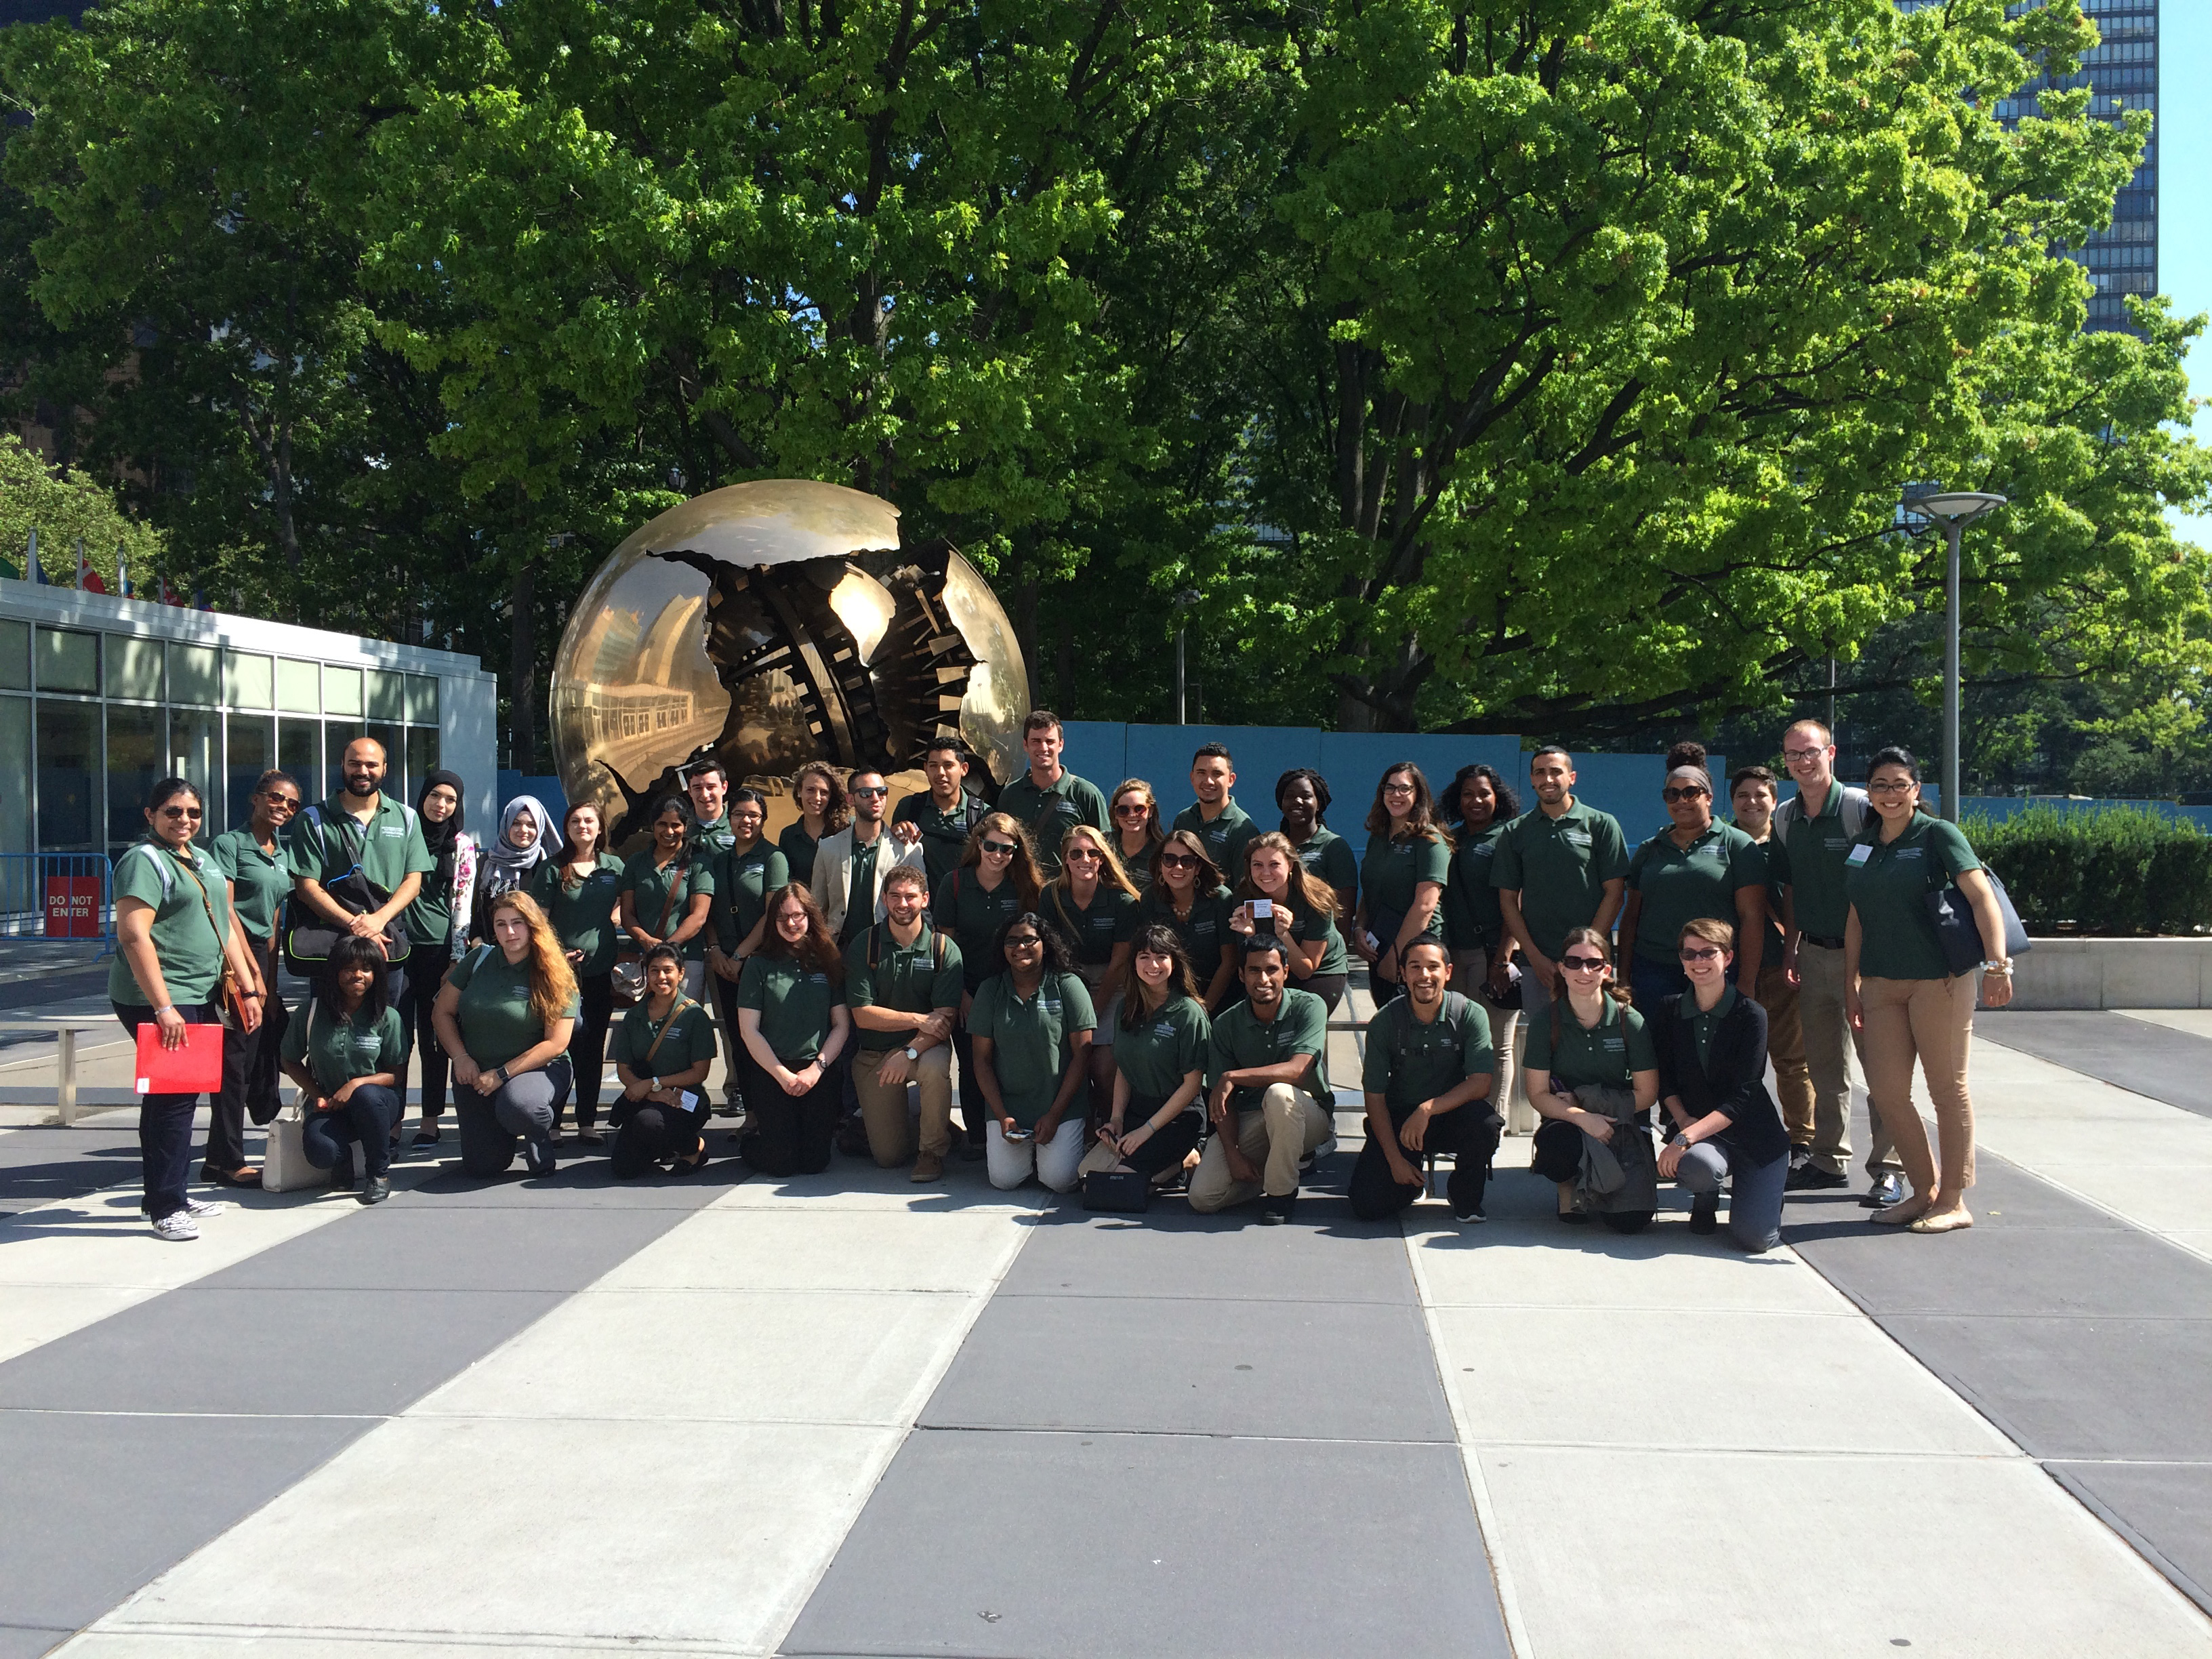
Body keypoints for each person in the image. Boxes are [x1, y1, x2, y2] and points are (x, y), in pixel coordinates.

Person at [1845, 745, 2014, 1233]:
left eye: (1900, 785)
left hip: (1939, 981)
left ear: (1917, 791)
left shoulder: (1939, 834)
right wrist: (1850, 985)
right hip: (1880, 985)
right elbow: (1855, 919)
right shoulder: (1865, 844)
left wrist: (1998, 965)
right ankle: (1924, 1191)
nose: (1890, 794)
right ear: (1870, 794)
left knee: (1947, 1089)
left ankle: (1954, 1201)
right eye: (1881, 786)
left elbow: (1982, 897)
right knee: (1887, 1091)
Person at [110, 777, 266, 1240]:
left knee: (175, 1097)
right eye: (173, 812)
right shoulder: (144, 861)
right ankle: (166, 1206)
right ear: (151, 815)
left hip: (199, 993)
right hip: (160, 996)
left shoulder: (200, 859)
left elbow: (226, 922)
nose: (184, 820)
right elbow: (134, 935)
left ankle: (168, 1192)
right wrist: (162, 1007)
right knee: (173, 1099)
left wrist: (250, 985)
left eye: (193, 813)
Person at [1776, 718, 1898, 1203]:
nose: (1802, 762)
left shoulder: (1860, 810)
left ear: (1831, 753)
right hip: (1814, 953)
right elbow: (1789, 888)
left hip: (1866, 959)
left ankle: (1891, 1167)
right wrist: (1791, 946)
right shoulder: (1786, 817)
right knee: (1826, 1067)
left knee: (1881, 1067)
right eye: (1792, 755)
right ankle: (1828, 1160)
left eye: (1810, 752)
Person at [1652, 918, 1790, 1252]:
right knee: (1700, 1168)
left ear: (1727, 958)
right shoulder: (1668, 1010)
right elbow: (1665, 1079)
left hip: (1756, 1139)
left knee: (1755, 1239)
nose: (1698, 962)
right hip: (1705, 1138)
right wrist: (1683, 1124)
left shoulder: (1751, 1014)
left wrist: (1685, 1137)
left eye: (1708, 953)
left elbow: (1743, 1095)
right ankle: (1706, 1196)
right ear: (1681, 960)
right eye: (1690, 954)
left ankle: (1759, 1195)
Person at [1348, 938, 1498, 1223]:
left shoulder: (1470, 1014)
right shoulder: (1385, 1022)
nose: (1425, 976)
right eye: (1415, 967)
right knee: (1367, 1206)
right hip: (1402, 1122)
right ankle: (1410, 1183)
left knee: (1486, 1124)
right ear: (1403, 974)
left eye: (1433, 967)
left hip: (1451, 1114)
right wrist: (1394, 1161)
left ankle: (1464, 1196)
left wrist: (1428, 1108)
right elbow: (1375, 1097)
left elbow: (1481, 1083)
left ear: (1448, 972)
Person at [433, 891, 579, 1179]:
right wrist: (460, 1057)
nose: (510, 931)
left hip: (536, 1070)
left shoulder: (554, 971)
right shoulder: (478, 959)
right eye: (501, 924)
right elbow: (442, 1012)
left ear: (533, 925)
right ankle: (501, 1129)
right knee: (483, 1166)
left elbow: (557, 1042)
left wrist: (501, 1075)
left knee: (520, 1106)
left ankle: (537, 1134)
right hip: (475, 1073)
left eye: (518, 922)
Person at [1523, 926, 1660, 1232]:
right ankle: (1569, 1186)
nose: (1583, 971)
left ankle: (1606, 1186)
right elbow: (1537, 1094)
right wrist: (1583, 1118)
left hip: (1622, 1124)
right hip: (1571, 1124)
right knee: (1555, 1144)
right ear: (1561, 968)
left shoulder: (1629, 1021)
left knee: (1631, 1223)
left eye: (1593, 963)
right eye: (1573, 962)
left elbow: (1648, 1094)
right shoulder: (1546, 1021)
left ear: (1607, 970)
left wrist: (1588, 1104)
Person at [1187, 937, 1332, 1223]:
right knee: (1203, 1198)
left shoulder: (1310, 1006)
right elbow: (1221, 1100)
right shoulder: (1226, 1024)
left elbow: (1297, 1070)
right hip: (1253, 1118)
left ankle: (1281, 1194)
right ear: (1241, 975)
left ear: (1286, 973)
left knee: (1279, 1094)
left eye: (1272, 970)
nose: (1263, 979)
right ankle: (1273, 1171)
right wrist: (1232, 1153)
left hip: (1307, 1116)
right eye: (1254, 971)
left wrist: (1233, 1076)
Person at [285, 735, 433, 1013]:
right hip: (335, 945)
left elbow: (414, 881)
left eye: (371, 764)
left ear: (385, 769)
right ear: (342, 765)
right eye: (354, 763)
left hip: (387, 941)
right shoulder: (314, 819)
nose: (363, 771)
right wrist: (356, 924)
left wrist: (378, 920)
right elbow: (306, 886)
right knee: (330, 1035)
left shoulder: (406, 817)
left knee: (387, 1033)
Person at [1492, 746, 1629, 1036]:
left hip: (1591, 964)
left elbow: (1615, 894)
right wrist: (1534, 956)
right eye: (1540, 772)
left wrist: (1585, 956)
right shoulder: (1516, 831)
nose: (1548, 779)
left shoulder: (1602, 825)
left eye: (1556, 771)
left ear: (1572, 777)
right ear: (1531, 779)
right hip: (1537, 965)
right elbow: (1507, 901)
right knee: (1544, 1045)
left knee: (1593, 1041)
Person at [935, 813, 1045, 1157]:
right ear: (978, 844)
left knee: (1011, 1060)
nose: (998, 855)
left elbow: (1032, 943)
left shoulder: (1025, 887)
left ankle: (1016, 1127)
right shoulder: (953, 883)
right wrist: (963, 996)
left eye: (1007, 849)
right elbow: (944, 947)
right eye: (991, 846)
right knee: (971, 1063)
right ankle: (979, 1140)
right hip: (966, 987)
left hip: (1011, 988)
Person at [1728, 766, 1818, 1187]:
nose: (1751, 802)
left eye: (1760, 795)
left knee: (1791, 1061)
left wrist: (1791, 954)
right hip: (1727, 974)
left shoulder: (1788, 843)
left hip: (1780, 969)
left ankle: (1801, 1139)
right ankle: (1731, 1134)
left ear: (1774, 799)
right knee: (1732, 1064)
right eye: (1742, 795)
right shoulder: (1721, 843)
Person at [209, 768, 300, 1181]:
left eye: (292, 803)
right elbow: (225, 911)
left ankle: (218, 1155)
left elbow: (277, 913)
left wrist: (271, 979)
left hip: (263, 958)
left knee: (253, 1060)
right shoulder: (231, 845)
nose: (284, 807)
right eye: (277, 798)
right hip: (233, 959)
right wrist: (251, 977)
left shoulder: (282, 853)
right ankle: (227, 1159)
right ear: (257, 798)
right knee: (234, 1062)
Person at [846, 862, 964, 1179]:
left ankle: (932, 1152)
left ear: (925, 900)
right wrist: (918, 1019)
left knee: (936, 1067)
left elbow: (944, 1021)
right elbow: (862, 1015)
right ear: (884, 900)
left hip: (922, 1050)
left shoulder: (942, 949)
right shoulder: (865, 945)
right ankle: (933, 1121)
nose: (902, 904)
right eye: (895, 896)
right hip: (874, 1056)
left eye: (911, 896)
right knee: (889, 1156)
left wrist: (909, 1051)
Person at [1617, 763, 1765, 1008]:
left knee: (1713, 1045)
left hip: (1715, 970)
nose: (1681, 800)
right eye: (1672, 794)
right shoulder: (1649, 848)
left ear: (1709, 798)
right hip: (1654, 971)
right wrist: (1623, 977)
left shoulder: (1737, 845)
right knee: (1657, 1045)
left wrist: (1747, 983)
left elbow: (1752, 917)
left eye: (1691, 792)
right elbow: (1631, 917)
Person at [1074, 924, 1210, 1189]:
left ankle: (1186, 1158)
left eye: (1161, 956)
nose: (1153, 965)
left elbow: (1192, 1085)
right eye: (1144, 957)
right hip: (1138, 1111)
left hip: (1177, 1119)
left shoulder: (1189, 1013)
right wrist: (1116, 1119)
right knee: (1086, 1176)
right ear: (1134, 961)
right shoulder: (1126, 1006)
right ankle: (1164, 1168)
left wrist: (1147, 1131)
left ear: (1175, 962)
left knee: (1118, 1186)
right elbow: (1126, 1067)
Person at [968, 913, 1096, 1192]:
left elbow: (1083, 1055)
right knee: (1004, 1180)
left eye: (1029, 940)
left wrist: (1054, 1115)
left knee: (1059, 1181)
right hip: (1010, 1109)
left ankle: (1065, 1146)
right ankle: (1035, 1156)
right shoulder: (991, 990)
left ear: (1045, 945)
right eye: (1011, 941)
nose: (1020, 947)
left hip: (1060, 1105)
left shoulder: (1068, 985)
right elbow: (981, 1060)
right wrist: (1002, 1116)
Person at [280, 934, 406, 1204]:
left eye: (366, 969)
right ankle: (342, 1159)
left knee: (366, 1097)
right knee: (320, 1151)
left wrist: (356, 1085)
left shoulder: (388, 1017)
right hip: (330, 1105)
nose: (357, 975)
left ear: (376, 975)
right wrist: (316, 1095)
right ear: (335, 972)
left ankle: (378, 1175)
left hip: (379, 1104)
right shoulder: (311, 1012)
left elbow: (396, 1074)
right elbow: (289, 1059)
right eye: (348, 969)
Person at [737, 882, 851, 1176]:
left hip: (817, 1071)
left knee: (816, 1163)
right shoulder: (758, 964)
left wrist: (817, 1069)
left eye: (798, 915)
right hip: (773, 1072)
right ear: (772, 922)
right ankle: (751, 1143)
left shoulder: (828, 960)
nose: (791, 923)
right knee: (782, 1166)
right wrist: (783, 1076)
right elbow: (750, 1031)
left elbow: (840, 1025)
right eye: (782, 917)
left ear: (811, 917)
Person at [529, 802, 624, 1144]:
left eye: (589, 821)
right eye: (575, 821)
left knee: (593, 1045)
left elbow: (624, 904)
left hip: (599, 972)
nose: (582, 826)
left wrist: (612, 919)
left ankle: (587, 1121)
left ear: (600, 828)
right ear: (566, 827)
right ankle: (551, 1122)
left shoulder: (614, 867)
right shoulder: (553, 869)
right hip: (559, 974)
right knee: (558, 1046)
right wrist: (557, 955)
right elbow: (537, 921)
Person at [1441, 762, 1522, 1128]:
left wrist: (1503, 959)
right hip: (1450, 955)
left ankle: (1493, 1124)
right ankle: (1461, 1122)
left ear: (1498, 797)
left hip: (1492, 955)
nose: (1476, 800)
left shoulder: (1509, 837)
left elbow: (1517, 901)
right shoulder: (1449, 839)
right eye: (1468, 794)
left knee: (1494, 1046)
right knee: (1457, 1044)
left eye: (1484, 793)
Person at [1042, 822, 1141, 1120]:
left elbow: (1120, 962)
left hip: (1113, 986)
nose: (1085, 860)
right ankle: (1078, 1122)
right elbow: (1049, 954)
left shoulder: (1122, 901)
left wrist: (1092, 1012)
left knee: (1103, 1064)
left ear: (1102, 858)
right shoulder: (1052, 897)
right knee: (1068, 1060)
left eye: (1092, 853)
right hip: (1068, 983)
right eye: (1076, 853)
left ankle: (1112, 1122)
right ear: (1065, 859)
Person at [401, 770, 476, 1147]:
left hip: (439, 951)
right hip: (397, 947)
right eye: (435, 796)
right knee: (397, 1038)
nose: (441, 805)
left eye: (449, 799)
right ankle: (392, 1118)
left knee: (434, 1038)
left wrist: (456, 959)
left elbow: (463, 904)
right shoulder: (404, 834)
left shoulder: (463, 846)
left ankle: (429, 1120)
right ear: (422, 796)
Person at [703, 785, 788, 1117]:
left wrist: (740, 956)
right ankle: (752, 1115)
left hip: (760, 962)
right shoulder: (718, 860)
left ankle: (773, 1113)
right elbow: (707, 910)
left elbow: (773, 913)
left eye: (753, 815)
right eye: (739, 814)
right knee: (738, 1041)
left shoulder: (773, 857)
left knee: (765, 1038)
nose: (746, 821)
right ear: (729, 817)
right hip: (723, 964)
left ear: (764, 819)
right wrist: (716, 951)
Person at [609, 944, 717, 1178]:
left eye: (668, 970)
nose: (661, 977)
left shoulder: (694, 1016)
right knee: (624, 1169)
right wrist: (652, 1093)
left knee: (648, 1122)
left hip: (686, 1098)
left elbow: (700, 1073)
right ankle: (663, 1147)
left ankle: (693, 1148)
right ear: (646, 974)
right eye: (654, 970)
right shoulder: (634, 1016)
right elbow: (623, 1069)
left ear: (681, 973)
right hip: (647, 1098)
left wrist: (653, 1083)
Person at [1353, 762, 1451, 1004]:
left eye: (1405, 789)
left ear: (1418, 795)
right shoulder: (1377, 838)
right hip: (1381, 945)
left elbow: (1426, 905)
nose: (1396, 795)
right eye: (1390, 788)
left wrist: (1398, 954)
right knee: (1388, 1023)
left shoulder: (1429, 840)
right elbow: (1370, 890)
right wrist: (1359, 931)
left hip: (1417, 950)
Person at [1229, 830, 1349, 1013]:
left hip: (1320, 970)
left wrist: (1283, 935)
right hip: (1270, 967)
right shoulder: (1244, 896)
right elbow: (1249, 966)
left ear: (1290, 865)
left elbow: (1305, 970)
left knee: (1301, 1014)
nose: (1265, 872)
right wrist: (1250, 937)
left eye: (1274, 864)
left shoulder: (1315, 898)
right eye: (1258, 865)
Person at [811, 767, 926, 944]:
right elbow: (817, 907)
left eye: (881, 792)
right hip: (840, 950)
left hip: (888, 948)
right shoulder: (828, 848)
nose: (875, 799)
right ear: (851, 799)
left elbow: (922, 908)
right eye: (866, 793)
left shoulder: (908, 850)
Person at [619, 795, 714, 999]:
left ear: (686, 827)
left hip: (686, 961)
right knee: (645, 1024)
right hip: (643, 960)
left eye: (675, 825)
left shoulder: (698, 863)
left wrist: (666, 949)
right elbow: (627, 914)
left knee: (683, 1022)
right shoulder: (636, 863)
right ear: (652, 825)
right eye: (662, 824)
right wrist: (646, 942)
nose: (669, 831)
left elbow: (699, 917)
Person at [996, 709, 1109, 877]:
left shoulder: (1086, 794)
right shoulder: (1010, 795)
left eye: (1050, 741)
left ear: (1061, 745)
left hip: (1069, 895)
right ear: (1025, 745)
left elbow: (1105, 850)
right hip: (1021, 892)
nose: (1044, 748)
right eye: (1036, 741)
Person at [1139, 830, 1237, 1010]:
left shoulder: (1221, 899)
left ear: (1198, 867)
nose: (1178, 867)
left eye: (1187, 861)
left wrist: (1204, 1008)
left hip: (1220, 1000)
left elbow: (1229, 962)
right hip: (1170, 999)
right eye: (1169, 859)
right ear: (1160, 864)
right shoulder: (1150, 899)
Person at [891, 736, 989, 888]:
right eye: (933, 766)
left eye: (948, 765)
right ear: (925, 768)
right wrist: (894, 835)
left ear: (964, 769)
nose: (940, 773)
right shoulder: (909, 808)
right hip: (918, 908)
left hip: (963, 908)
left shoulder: (982, 815)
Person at [472, 796, 560, 941]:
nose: (523, 830)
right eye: (516, 823)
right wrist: (476, 941)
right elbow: (472, 907)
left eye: (531, 825)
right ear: (506, 825)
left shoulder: (547, 865)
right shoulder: (486, 862)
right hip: (491, 954)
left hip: (536, 954)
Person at [1172, 742, 1258, 882]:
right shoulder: (1183, 819)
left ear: (1231, 780)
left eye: (1217, 774)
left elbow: (1245, 889)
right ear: (1192, 777)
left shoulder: (1243, 829)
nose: (1208, 781)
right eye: (1201, 773)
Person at [1277, 768, 1357, 914]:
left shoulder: (1334, 846)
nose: (1297, 801)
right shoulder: (1273, 846)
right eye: (1290, 796)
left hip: (1319, 935)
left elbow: (1345, 908)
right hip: (1277, 933)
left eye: (1306, 796)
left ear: (1319, 804)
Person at [779, 760, 848, 886]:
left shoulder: (847, 828)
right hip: (804, 904)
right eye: (810, 790)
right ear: (799, 792)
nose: (817, 797)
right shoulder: (788, 836)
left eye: (824, 792)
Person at [1107, 779, 1167, 893]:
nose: (1131, 815)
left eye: (1139, 809)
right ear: (1115, 813)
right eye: (1123, 810)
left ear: (1150, 811)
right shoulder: (1102, 845)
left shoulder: (1162, 852)